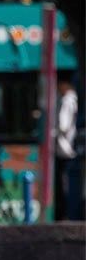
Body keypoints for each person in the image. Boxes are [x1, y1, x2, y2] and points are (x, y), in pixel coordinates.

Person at [55, 79, 78, 220]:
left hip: (64, 149)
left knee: (63, 185)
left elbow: (63, 125)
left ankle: (63, 214)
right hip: (68, 148)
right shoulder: (74, 99)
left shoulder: (67, 100)